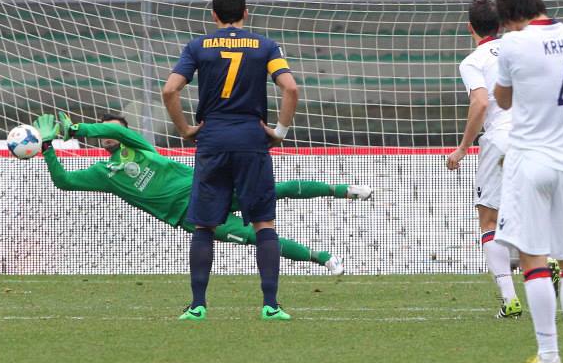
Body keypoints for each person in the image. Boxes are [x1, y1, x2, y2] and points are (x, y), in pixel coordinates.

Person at [34, 113, 371, 274]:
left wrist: (76, 129)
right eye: (107, 132)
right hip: (191, 215)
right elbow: (63, 182)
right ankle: (323, 258)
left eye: (117, 130)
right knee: (254, 237)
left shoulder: (136, 145)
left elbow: (108, 128)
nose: (111, 134)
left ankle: (345, 190)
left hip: (209, 187)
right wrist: (48, 146)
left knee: (275, 189)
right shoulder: (101, 173)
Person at [161, 0, 300, 321]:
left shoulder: (197, 46)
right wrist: (279, 132)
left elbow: (169, 90)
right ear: (246, 13)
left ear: (213, 14)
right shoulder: (265, 46)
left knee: (204, 226)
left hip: (213, 139)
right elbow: (291, 88)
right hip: (252, 138)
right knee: (263, 222)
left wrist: (185, 130)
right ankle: (270, 305)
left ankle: (197, 306)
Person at [492, 0, 563, 363]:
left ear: (511, 18)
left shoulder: (514, 44)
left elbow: (502, 99)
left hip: (530, 161)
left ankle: (549, 355)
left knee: (534, 259)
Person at [446, 0, 520, 318]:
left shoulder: (473, 60)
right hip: (536, 136)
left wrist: (463, 148)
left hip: (501, 139)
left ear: (469, 27)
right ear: (501, 24)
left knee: (489, 220)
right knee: (527, 212)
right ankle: (547, 262)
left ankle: (509, 299)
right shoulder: (520, 49)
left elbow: (479, 104)